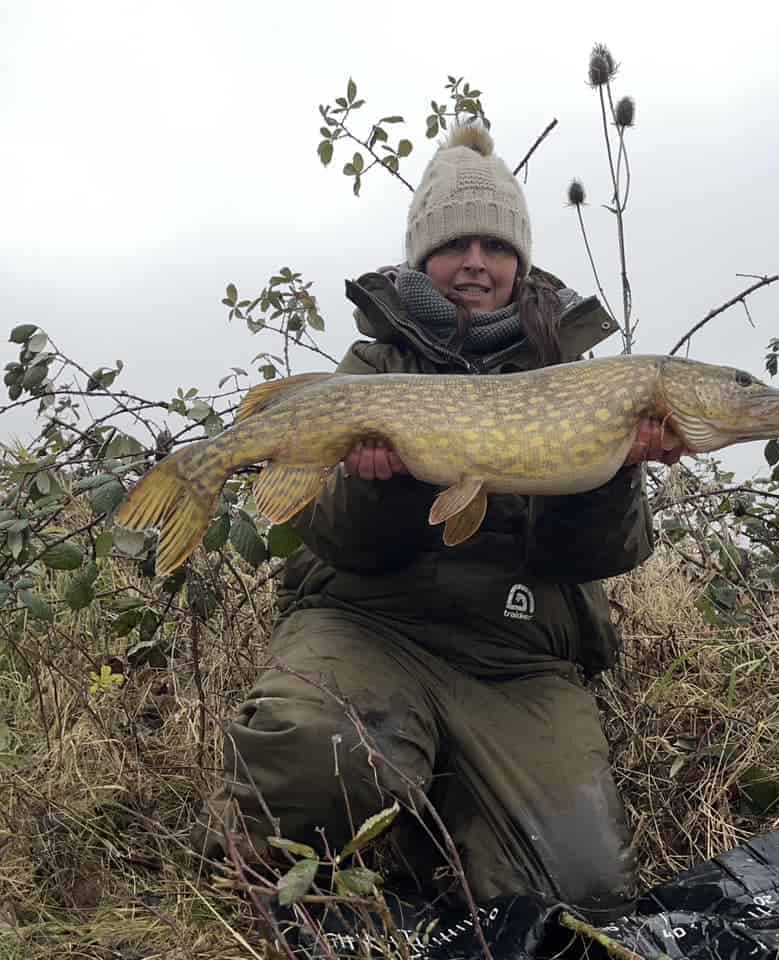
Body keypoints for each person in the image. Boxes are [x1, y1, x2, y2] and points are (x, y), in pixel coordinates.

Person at [196, 124, 684, 911]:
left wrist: (612, 474)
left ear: (519, 262)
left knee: (582, 888)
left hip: (515, 655)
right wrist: (383, 487)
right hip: (370, 628)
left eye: (496, 247)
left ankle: (437, 836)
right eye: (457, 245)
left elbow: (589, 559)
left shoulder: (575, 380)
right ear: (423, 256)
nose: (476, 266)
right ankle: (265, 867)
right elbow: (335, 541)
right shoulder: (375, 369)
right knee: (316, 763)